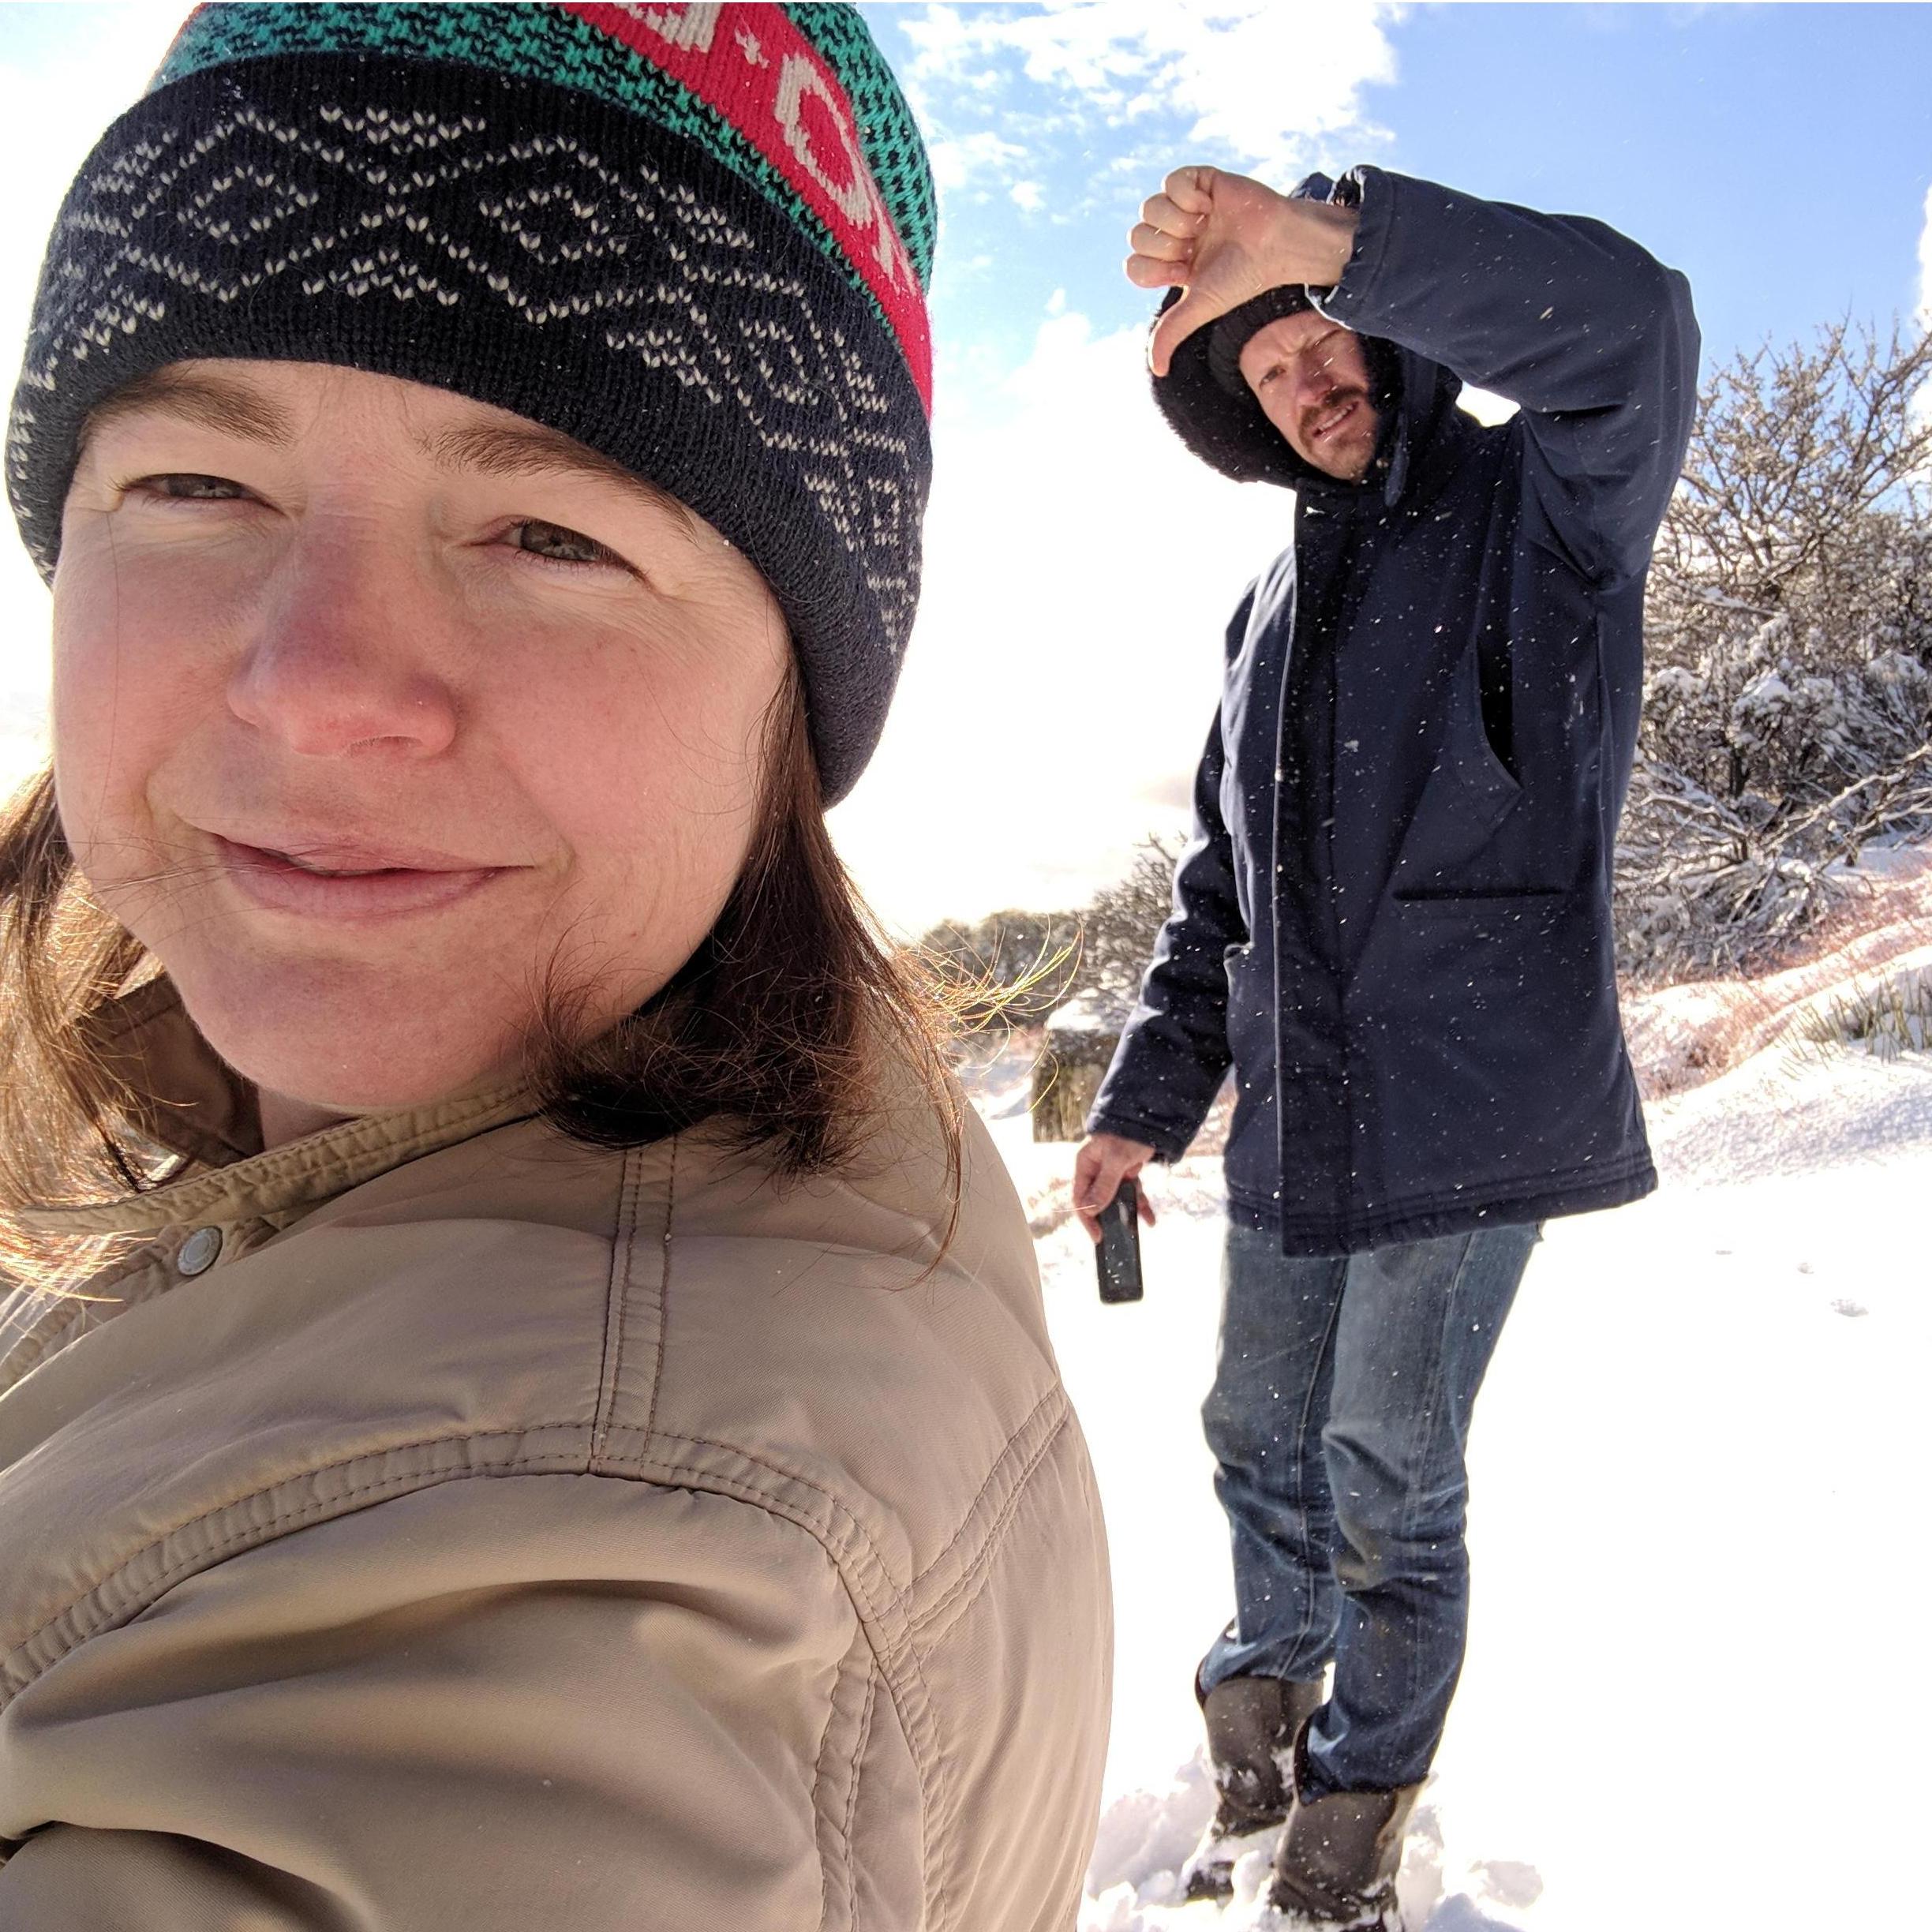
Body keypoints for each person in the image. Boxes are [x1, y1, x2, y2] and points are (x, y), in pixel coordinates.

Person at [0, 6, 1111, 1926]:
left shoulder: (621, 1562)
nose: (318, 684)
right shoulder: (747, 1142)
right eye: (196, 486)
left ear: (791, 704)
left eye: (548, 530)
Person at [1073, 162, 1697, 1926]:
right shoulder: (1262, 622)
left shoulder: (1544, 505)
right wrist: (1144, 1102)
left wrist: (1334, 237)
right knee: (1252, 1426)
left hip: (1476, 1099)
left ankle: (1356, 1817)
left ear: (1393, 326)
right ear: (1249, 421)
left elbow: (1638, 328)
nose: (1312, 379)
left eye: (1327, 334)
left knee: (1384, 1466)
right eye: (1270, 374)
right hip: (1304, 1114)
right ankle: (1263, 1718)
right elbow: (1221, 897)